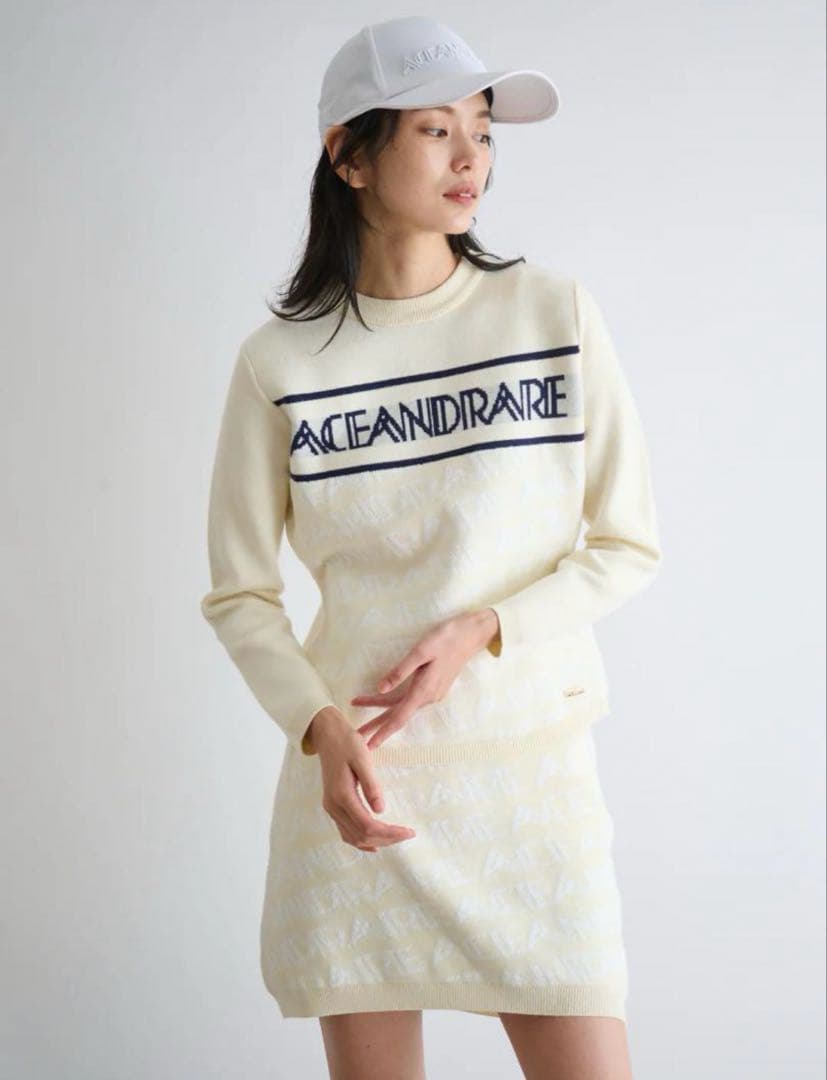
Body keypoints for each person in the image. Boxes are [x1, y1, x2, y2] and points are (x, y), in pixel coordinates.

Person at [199, 15, 662, 1080]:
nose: (471, 159)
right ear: (349, 156)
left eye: (483, 131)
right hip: (363, 790)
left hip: (529, 780)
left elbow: (625, 543)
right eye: (434, 129)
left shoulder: (550, 315)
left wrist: (486, 627)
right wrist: (318, 725)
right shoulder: (280, 364)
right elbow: (239, 595)